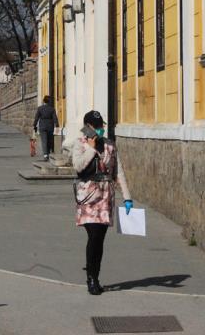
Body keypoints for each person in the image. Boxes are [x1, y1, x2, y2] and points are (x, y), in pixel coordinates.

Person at [65, 110, 134, 295]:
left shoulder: (110, 145)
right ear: (87, 127)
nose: (99, 129)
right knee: (94, 235)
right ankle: (91, 278)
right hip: (88, 196)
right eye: (95, 126)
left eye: (100, 126)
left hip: (105, 196)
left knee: (99, 239)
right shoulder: (79, 144)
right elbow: (78, 166)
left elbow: (118, 172)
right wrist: (92, 148)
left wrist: (127, 197)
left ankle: (94, 273)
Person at [33, 96, 59, 161]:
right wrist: (57, 125)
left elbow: (36, 118)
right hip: (50, 126)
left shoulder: (40, 108)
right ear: (49, 102)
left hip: (42, 126)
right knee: (49, 140)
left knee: (44, 140)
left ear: (43, 101)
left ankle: (45, 155)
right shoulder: (52, 109)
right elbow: (55, 118)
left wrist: (34, 125)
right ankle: (49, 152)